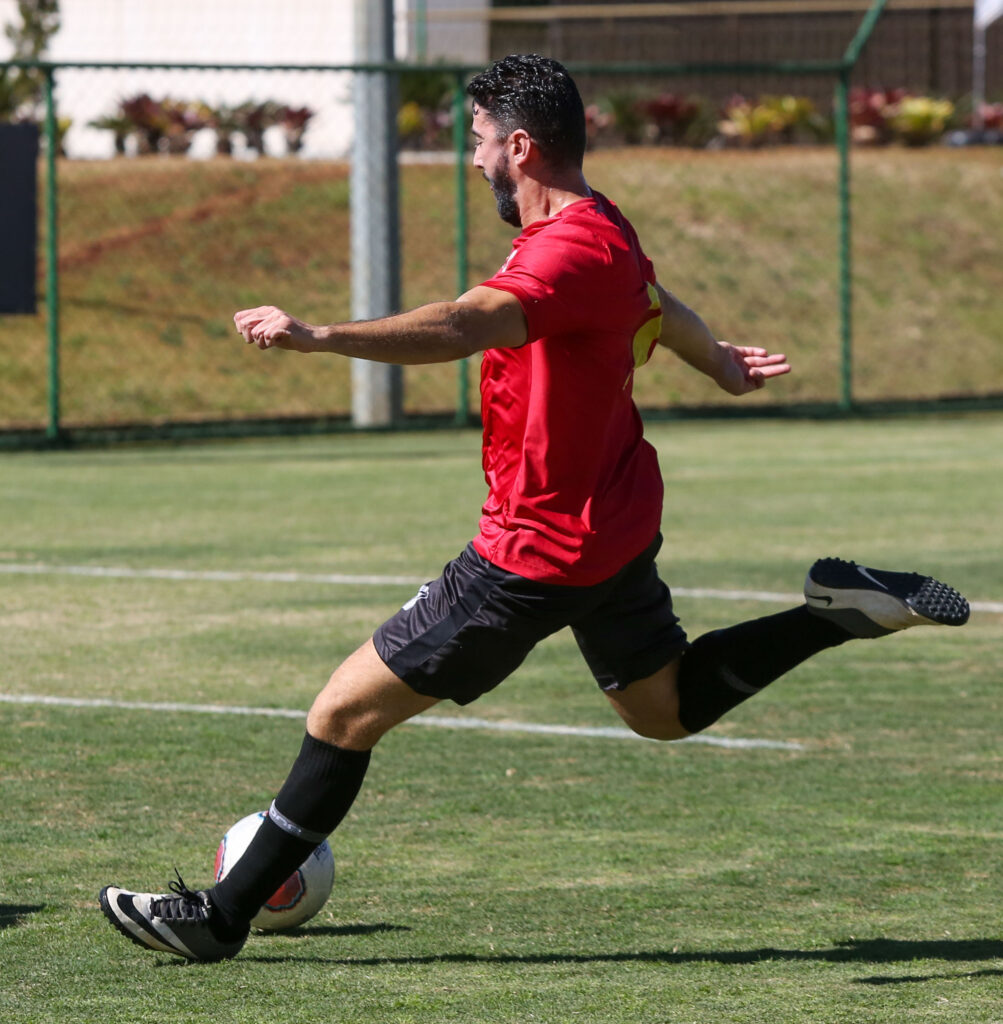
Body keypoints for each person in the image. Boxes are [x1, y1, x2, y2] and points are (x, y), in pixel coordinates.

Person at [99, 54, 969, 962]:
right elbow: (649, 298)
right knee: (662, 708)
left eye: (476, 142)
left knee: (342, 714)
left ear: (519, 145)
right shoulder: (604, 228)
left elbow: (464, 322)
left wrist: (318, 337)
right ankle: (834, 613)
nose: (472, 160)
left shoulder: (564, 248)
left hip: (536, 550)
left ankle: (220, 917)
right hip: (614, 526)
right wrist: (712, 357)